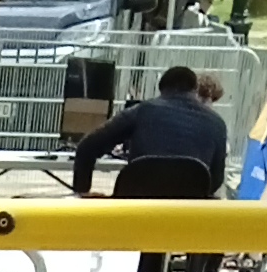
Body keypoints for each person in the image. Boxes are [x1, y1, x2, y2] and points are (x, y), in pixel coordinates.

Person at [73, 60, 231, 194]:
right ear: (194, 90)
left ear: (161, 89)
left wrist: (82, 191)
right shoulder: (217, 124)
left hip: (136, 202)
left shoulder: (142, 111)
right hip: (187, 209)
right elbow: (215, 180)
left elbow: (87, 147)